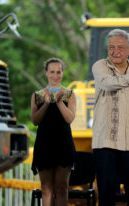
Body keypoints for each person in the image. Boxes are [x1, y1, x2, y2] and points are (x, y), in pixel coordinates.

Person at [92, 29, 129, 206]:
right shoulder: (100, 66)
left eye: (120, 47)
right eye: (111, 47)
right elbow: (107, 83)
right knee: (106, 195)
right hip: (105, 143)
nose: (115, 51)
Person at [31, 57, 76, 206]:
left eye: (58, 72)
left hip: (63, 145)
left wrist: (58, 103)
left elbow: (69, 119)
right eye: (52, 72)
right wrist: (46, 104)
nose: (55, 75)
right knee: (46, 188)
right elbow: (35, 121)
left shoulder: (69, 94)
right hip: (44, 145)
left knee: (62, 187)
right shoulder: (37, 95)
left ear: (63, 73)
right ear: (46, 73)